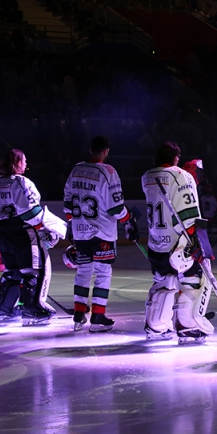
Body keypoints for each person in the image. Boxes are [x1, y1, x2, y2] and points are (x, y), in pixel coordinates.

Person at [62, 136, 139, 332]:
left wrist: (73, 223)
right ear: (106, 150)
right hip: (102, 232)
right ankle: (97, 316)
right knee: (103, 273)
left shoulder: (76, 170)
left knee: (83, 272)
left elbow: (68, 202)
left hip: (80, 232)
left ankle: (79, 316)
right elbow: (115, 208)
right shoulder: (108, 172)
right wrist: (128, 218)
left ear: (90, 149)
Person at [142, 142, 211, 344]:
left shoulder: (146, 177)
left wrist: (184, 177)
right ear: (175, 158)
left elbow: (168, 195)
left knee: (163, 281)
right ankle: (187, 326)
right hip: (177, 244)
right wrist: (197, 244)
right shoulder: (181, 175)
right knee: (194, 279)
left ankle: (156, 326)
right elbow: (188, 215)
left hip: (156, 242)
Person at [0, 149, 65, 326]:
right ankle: (33, 309)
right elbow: (30, 211)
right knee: (35, 269)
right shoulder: (21, 182)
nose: (26, 164)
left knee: (13, 271)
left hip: (2, 233)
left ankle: (4, 309)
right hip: (23, 233)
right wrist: (45, 227)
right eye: (24, 161)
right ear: (17, 163)